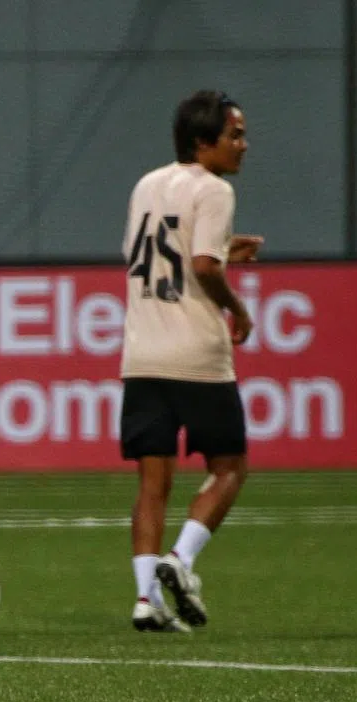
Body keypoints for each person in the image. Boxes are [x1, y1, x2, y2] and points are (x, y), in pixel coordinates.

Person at [118, 90, 263, 634]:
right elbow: (202, 265)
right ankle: (180, 560)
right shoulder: (214, 189)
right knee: (229, 467)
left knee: (152, 480)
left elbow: (161, 252)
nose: (243, 146)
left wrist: (224, 252)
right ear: (204, 142)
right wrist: (238, 308)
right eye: (235, 135)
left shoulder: (147, 185)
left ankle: (143, 598)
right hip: (196, 354)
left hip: (142, 352)